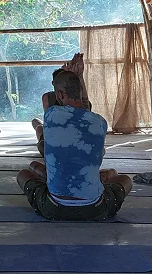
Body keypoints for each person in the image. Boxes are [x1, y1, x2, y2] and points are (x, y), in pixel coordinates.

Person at [15, 69, 131, 221]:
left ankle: (54, 181)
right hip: (95, 208)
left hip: (54, 207)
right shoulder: (100, 123)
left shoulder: (51, 115)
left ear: (60, 95)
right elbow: (84, 113)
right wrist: (80, 77)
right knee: (125, 180)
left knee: (23, 175)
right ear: (81, 91)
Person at [30, 53, 91, 154]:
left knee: (39, 129)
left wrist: (78, 76)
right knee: (36, 123)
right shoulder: (99, 121)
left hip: (61, 139)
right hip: (60, 133)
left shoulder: (53, 112)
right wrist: (78, 76)